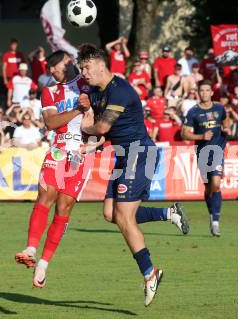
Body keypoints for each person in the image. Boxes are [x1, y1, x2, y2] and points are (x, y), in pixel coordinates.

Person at [78, 44, 189, 307]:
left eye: (86, 67)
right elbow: (100, 129)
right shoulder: (95, 92)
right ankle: (168, 213)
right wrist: (91, 125)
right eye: (81, 68)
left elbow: (101, 126)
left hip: (140, 155)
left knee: (125, 218)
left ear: (101, 64)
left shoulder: (121, 91)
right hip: (122, 156)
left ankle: (149, 273)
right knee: (110, 214)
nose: (84, 73)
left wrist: (88, 126)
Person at [13, 50, 96, 289]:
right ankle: (30, 249)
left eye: (53, 65)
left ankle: (43, 265)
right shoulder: (49, 91)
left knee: (64, 207)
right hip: (58, 150)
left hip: (81, 155)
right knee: (46, 195)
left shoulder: (88, 84)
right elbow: (51, 123)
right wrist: (78, 111)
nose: (50, 70)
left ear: (67, 63)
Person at [181, 80, 226, 237]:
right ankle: (211, 214)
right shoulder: (193, 112)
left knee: (216, 183)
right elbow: (184, 133)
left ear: (212, 92)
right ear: (198, 93)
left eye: (208, 90)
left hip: (218, 150)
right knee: (208, 188)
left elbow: (227, 122)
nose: (205, 93)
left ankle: (216, 222)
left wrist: (227, 128)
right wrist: (201, 136)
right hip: (203, 153)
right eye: (202, 91)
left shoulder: (220, 108)